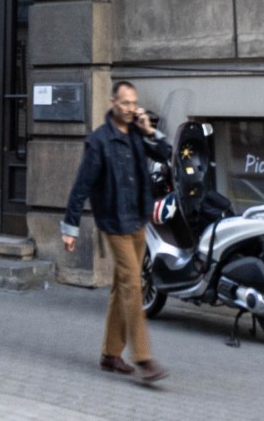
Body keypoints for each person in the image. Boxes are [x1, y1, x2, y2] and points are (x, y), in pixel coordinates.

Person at [61, 79, 174, 385]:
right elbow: (81, 186)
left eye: (133, 103)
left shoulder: (137, 132)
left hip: (137, 220)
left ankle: (110, 354)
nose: (130, 108)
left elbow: (165, 153)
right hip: (113, 223)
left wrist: (149, 130)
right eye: (125, 103)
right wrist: (70, 228)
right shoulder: (99, 141)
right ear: (113, 103)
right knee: (133, 286)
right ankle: (144, 358)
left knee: (121, 286)